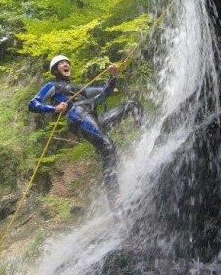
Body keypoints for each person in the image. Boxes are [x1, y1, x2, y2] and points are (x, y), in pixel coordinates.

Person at [29, 54, 143, 205]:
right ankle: (114, 199)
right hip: (78, 116)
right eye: (61, 63)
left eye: (67, 62)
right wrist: (53, 108)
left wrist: (113, 75)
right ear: (55, 70)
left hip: (93, 118)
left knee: (132, 105)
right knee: (108, 146)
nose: (65, 64)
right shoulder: (53, 86)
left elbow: (104, 92)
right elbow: (33, 103)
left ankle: (149, 135)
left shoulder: (80, 88)